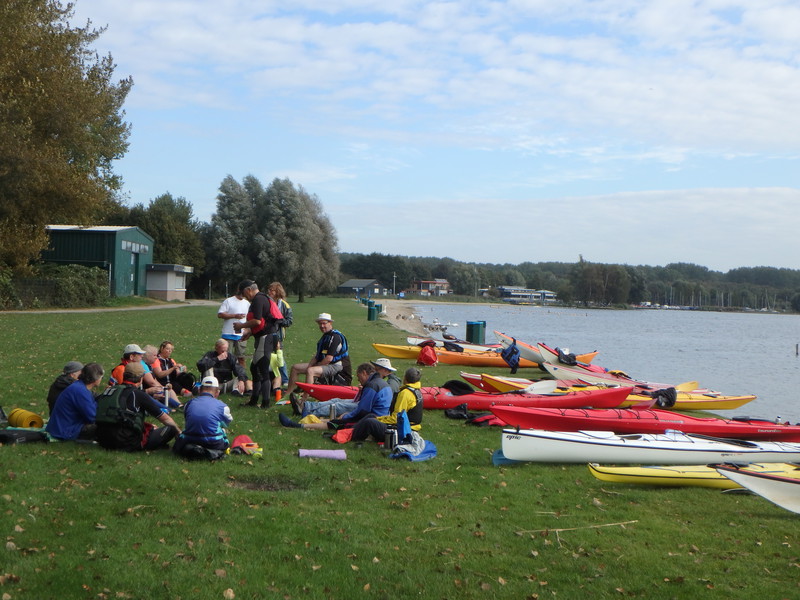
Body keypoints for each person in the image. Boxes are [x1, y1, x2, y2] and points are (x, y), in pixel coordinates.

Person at [95, 362, 181, 452]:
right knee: (171, 428)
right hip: (127, 442)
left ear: (124, 375)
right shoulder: (138, 394)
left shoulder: (110, 390)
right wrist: (179, 433)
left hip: (102, 439)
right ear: (141, 379)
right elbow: (165, 419)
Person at [279, 363, 390, 430]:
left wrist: (347, 416)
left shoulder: (372, 385)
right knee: (337, 405)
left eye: (359, 376)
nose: (358, 379)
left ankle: (298, 424)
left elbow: (363, 410)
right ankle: (307, 407)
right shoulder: (379, 383)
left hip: (371, 419)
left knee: (336, 421)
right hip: (376, 417)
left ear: (365, 373)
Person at [284, 313, 351, 413]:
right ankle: (287, 395)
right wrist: (310, 365)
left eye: (324, 323)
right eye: (320, 324)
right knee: (295, 367)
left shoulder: (335, 337)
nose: (322, 326)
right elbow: (317, 356)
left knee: (311, 371)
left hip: (337, 366)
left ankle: (303, 401)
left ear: (330, 323)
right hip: (325, 363)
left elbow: (328, 359)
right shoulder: (325, 337)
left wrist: (314, 368)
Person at [234, 280, 283, 408]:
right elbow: (262, 322)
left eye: (244, 293)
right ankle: (254, 400)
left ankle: (265, 403)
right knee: (254, 368)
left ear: (249, 289)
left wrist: (241, 325)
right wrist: (249, 333)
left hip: (266, 338)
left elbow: (256, 321)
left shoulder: (258, 299)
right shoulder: (261, 298)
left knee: (263, 370)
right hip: (264, 337)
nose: (244, 296)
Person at [352, 367, 424, 443]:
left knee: (370, 422)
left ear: (405, 378)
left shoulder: (405, 394)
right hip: (410, 428)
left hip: (403, 432)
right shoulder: (416, 391)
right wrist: (379, 418)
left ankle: (351, 436)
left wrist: (379, 419)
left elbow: (396, 419)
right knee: (371, 416)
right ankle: (351, 430)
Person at [173, 375, 233, 457]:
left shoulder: (189, 404)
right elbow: (226, 423)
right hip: (213, 442)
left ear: (199, 390)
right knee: (221, 429)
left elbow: (187, 419)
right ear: (217, 393)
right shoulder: (222, 407)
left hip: (189, 439)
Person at [45, 362, 104, 441]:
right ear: (95, 379)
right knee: (106, 427)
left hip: (59, 428)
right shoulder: (81, 391)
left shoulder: (79, 386)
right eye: (101, 377)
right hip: (65, 431)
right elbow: (92, 417)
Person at [217, 283, 251, 371]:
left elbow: (249, 318)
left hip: (241, 335)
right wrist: (234, 315)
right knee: (226, 358)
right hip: (228, 334)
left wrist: (247, 329)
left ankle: (241, 378)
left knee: (241, 358)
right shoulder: (228, 301)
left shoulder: (247, 303)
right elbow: (220, 314)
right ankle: (226, 377)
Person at [267, 282, 293, 388]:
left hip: (278, 336)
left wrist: (278, 321)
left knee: (279, 357)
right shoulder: (267, 303)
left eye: (272, 290)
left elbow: (289, 321)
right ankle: (269, 378)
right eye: (269, 290)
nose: (269, 292)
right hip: (267, 334)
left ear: (277, 291)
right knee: (266, 356)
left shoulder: (285, 305)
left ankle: (285, 379)